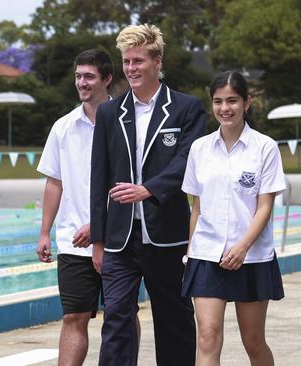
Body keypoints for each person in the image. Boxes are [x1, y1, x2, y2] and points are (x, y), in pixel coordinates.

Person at [90, 24, 206, 365]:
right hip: (120, 241)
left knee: (174, 319)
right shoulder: (111, 112)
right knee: (116, 319)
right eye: (126, 61)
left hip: (167, 236)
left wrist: (149, 189)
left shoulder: (186, 108)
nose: (131, 68)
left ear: (157, 62)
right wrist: (99, 240)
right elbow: (99, 178)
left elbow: (188, 161)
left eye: (138, 61)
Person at [36, 49, 140, 365]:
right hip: (72, 241)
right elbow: (55, 182)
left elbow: (133, 183)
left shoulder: (128, 123)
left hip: (119, 239)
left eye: (89, 76)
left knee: (122, 314)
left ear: (107, 79)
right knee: (74, 316)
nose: (82, 82)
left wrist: (101, 224)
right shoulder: (63, 127)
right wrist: (44, 232)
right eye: (78, 76)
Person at [181, 71, 285, 365]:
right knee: (208, 336)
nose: (225, 108)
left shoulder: (264, 147)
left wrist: (242, 247)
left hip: (251, 257)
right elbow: (197, 208)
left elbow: (264, 206)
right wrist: (191, 253)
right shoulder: (199, 149)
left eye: (232, 101)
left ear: (246, 102)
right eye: (218, 101)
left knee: (253, 341)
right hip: (206, 255)